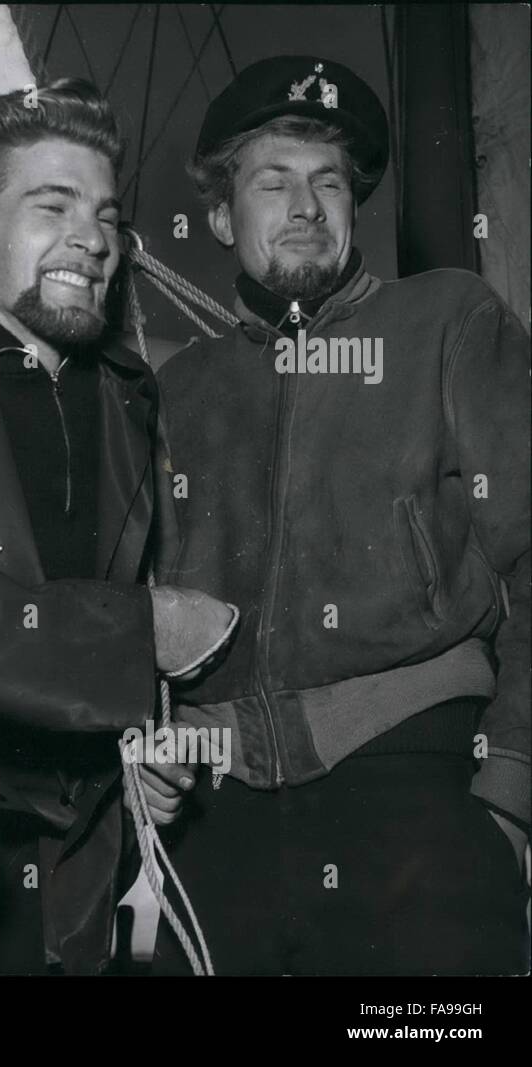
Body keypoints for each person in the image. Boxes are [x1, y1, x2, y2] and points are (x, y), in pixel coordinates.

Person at [151, 55, 530, 974]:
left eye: (329, 183)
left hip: (416, 790)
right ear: (218, 215)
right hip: (216, 818)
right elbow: (142, 602)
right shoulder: (176, 389)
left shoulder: (448, 320)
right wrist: (150, 741)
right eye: (272, 182)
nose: (306, 208)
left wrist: (512, 790)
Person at [0, 78, 236, 974]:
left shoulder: (126, 398)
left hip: (80, 865)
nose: (94, 238)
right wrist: (138, 635)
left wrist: (155, 752)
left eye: (108, 216)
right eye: (54, 206)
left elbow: (131, 601)